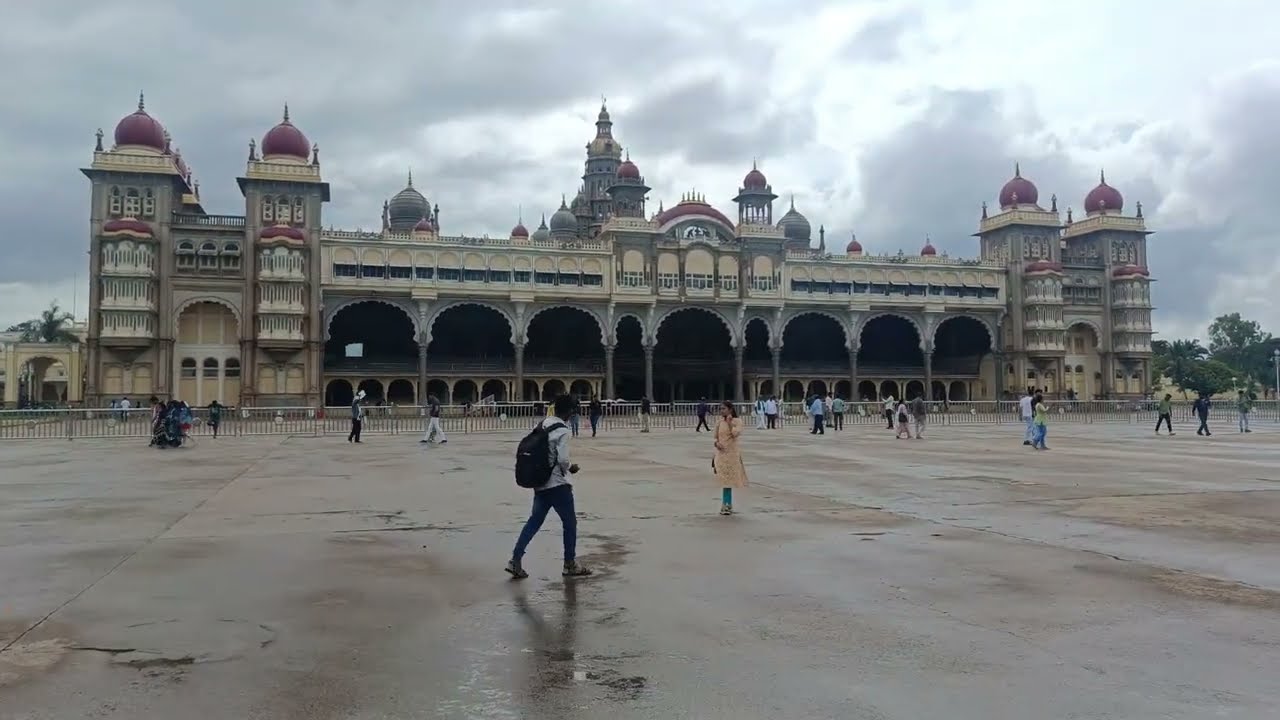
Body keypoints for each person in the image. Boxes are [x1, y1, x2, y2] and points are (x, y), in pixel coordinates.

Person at [506, 394, 592, 579]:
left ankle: (515, 559)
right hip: (558, 485)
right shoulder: (562, 430)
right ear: (569, 411)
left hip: (540, 482)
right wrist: (570, 468)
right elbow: (562, 459)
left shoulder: (543, 424)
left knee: (534, 522)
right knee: (570, 524)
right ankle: (569, 564)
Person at [713, 400, 748, 515]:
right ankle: (726, 504)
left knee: (728, 481)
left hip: (732, 455)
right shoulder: (719, 422)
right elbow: (715, 437)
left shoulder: (737, 421)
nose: (721, 411)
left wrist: (729, 422)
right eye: (720, 409)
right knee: (724, 480)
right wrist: (716, 444)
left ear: (730, 409)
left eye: (723, 409)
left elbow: (735, 434)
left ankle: (727, 505)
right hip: (721, 455)